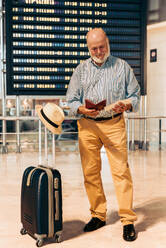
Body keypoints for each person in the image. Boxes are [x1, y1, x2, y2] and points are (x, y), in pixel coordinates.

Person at [66, 28, 140, 242]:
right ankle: (98, 215)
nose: (98, 51)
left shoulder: (122, 66)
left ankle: (127, 220)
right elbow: (71, 100)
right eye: (94, 48)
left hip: (114, 124)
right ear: (88, 48)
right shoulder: (80, 70)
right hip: (87, 126)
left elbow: (134, 95)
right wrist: (81, 109)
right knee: (90, 173)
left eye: (102, 47)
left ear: (108, 44)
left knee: (121, 172)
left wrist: (125, 104)